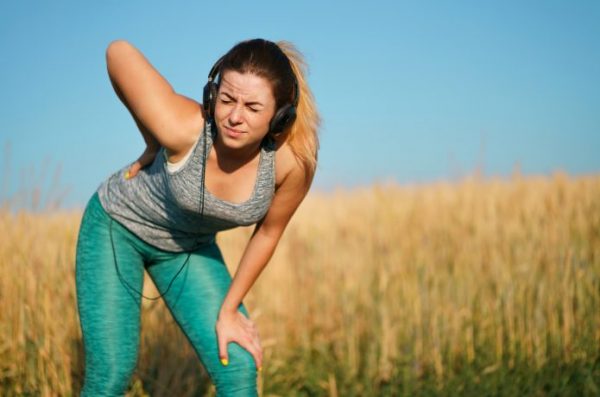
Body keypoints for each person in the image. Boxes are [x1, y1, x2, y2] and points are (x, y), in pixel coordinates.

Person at [75, 38, 320, 396]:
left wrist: (229, 310)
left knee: (238, 366)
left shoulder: (291, 164)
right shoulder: (183, 127)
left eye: (253, 107)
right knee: (112, 372)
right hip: (117, 227)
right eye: (226, 99)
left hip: (187, 249)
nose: (235, 117)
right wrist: (151, 139)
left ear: (281, 116)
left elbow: (268, 233)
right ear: (212, 96)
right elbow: (117, 52)